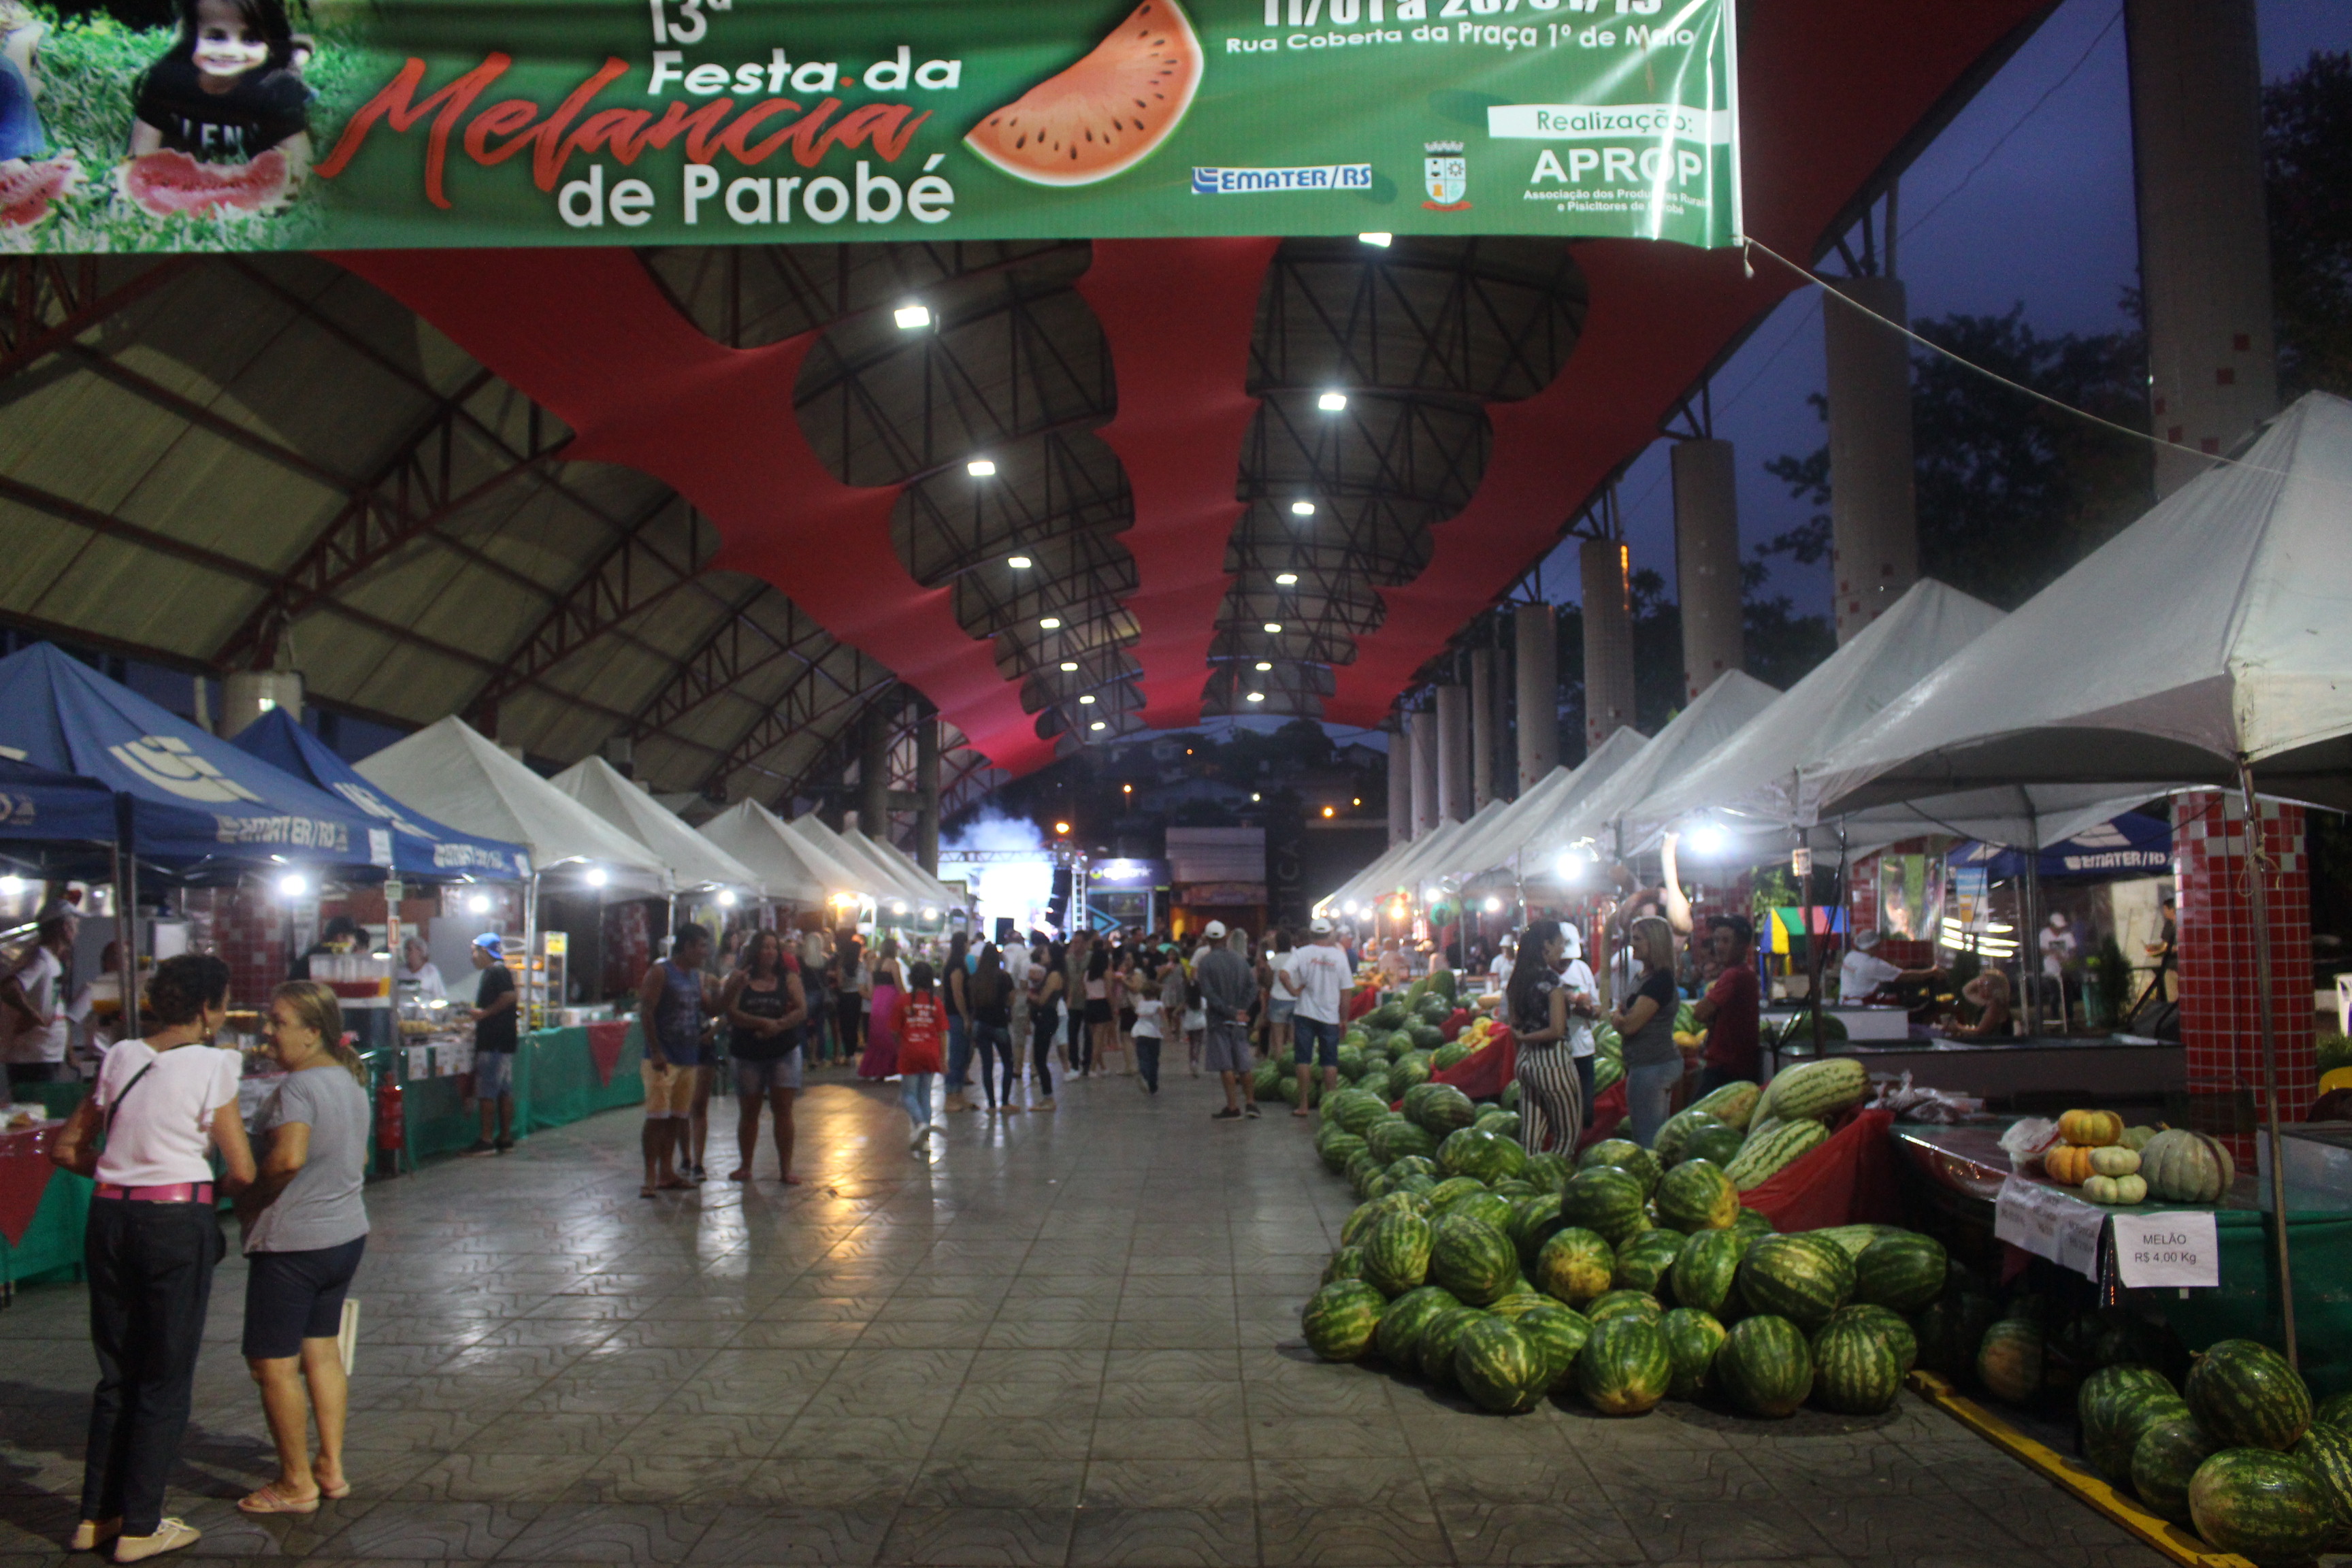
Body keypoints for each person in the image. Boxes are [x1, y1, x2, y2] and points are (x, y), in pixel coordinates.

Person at [50, 953, 255, 1565]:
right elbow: (241, 1168)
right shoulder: (217, 1064)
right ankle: (141, 1525)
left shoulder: (120, 1056)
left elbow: (67, 1148)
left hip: (110, 1217)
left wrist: (124, 1176)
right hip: (173, 1224)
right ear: (206, 1009)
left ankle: (96, 1515)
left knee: (117, 1372)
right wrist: (186, 1191)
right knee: (164, 1375)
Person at [232, 980, 369, 1517]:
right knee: (322, 1350)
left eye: (279, 1023)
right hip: (343, 1235)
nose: (268, 1033)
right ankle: (330, 1466)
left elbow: (287, 1160)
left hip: (294, 1243)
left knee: (272, 1364)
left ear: (314, 1033)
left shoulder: (298, 1089)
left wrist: (251, 1200)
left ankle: (295, 1482)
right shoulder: (348, 1079)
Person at [129, 0, 313, 181]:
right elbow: (138, 156)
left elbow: (300, 159)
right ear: (191, 36)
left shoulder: (277, 90)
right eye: (216, 37)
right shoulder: (165, 83)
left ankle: (300, 51)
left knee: (299, 85)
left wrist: (290, 189)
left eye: (250, 39)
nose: (230, 51)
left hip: (275, 78)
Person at [721, 930, 806, 1184]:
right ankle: (745, 1165)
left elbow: (802, 1009)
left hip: (783, 1050)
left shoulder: (789, 979)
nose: (769, 952)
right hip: (748, 1051)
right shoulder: (740, 979)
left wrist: (778, 1026)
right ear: (755, 951)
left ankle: (785, 1169)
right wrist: (761, 1022)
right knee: (749, 1111)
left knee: (783, 1110)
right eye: (765, 947)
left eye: (774, 947)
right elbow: (731, 1011)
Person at [636, 923, 714, 1198]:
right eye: (702, 946)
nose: (705, 952)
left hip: (688, 1057)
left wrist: (734, 988)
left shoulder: (694, 977)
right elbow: (646, 1011)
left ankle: (667, 1171)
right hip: (664, 1058)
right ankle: (650, 1175)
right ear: (689, 946)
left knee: (676, 1117)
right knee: (656, 1117)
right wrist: (656, 1051)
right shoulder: (660, 973)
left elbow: (710, 1008)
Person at [1505, 921, 1586, 1154]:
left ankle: (1527, 1180)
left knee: (1530, 1138)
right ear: (1547, 945)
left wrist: (1523, 1040)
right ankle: (1551, 1179)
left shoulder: (1516, 981)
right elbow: (1557, 1030)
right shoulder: (1552, 982)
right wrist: (1530, 1038)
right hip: (1552, 1061)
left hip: (1525, 1063)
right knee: (1568, 1135)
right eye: (1561, 943)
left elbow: (1515, 1026)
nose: (1563, 949)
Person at [1607, 915, 1685, 1147]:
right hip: (1645, 1065)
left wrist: (1617, 1019)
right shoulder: (1644, 976)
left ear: (1654, 942)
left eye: (1638, 939)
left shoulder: (1660, 981)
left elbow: (1631, 1025)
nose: (1633, 944)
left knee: (1648, 1138)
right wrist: (1622, 1016)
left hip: (1653, 1066)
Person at [1280, 918, 1351, 1117]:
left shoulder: (1301, 954)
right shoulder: (1339, 957)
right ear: (1329, 934)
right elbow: (1346, 992)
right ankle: (1328, 1105)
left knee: (1303, 1059)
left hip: (1305, 1014)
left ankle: (1303, 1105)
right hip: (1329, 1016)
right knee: (1330, 1062)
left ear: (1311, 935)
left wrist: (1294, 991)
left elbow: (1283, 975)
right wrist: (1344, 1019)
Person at [4, 900, 76, 1088]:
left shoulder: (52, 961)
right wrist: (32, 1015)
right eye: (74, 924)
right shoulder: (40, 958)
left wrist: (69, 1053)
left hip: (46, 1054)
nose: (77, 930)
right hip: (33, 1057)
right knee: (35, 1112)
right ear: (64, 927)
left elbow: (56, 1007)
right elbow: (9, 988)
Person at [1690, 914, 1763, 1094]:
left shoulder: (1734, 975)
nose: (1719, 947)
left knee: (1698, 1118)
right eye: (1716, 940)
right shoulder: (1744, 973)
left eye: (1726, 941)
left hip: (1726, 1069)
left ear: (1743, 946)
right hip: (1738, 1066)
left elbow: (1700, 1014)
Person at [461, 934, 517, 1154]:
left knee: (488, 1091)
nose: (472, 957)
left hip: (493, 1041)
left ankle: (486, 1140)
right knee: (504, 1091)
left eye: (474, 952)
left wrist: (483, 1014)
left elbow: (509, 996)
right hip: (503, 1041)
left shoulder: (496, 970)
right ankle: (504, 1138)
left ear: (485, 952)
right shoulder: (498, 971)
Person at [1196, 923, 1258, 1121]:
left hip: (1219, 1020)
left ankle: (1232, 1106)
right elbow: (1252, 988)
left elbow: (1208, 993)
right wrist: (1242, 1010)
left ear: (1207, 939)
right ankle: (1251, 1103)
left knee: (1226, 1066)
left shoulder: (1205, 963)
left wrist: (1228, 1011)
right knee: (1244, 1065)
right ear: (1225, 938)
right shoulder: (1240, 960)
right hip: (1239, 1021)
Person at [892, 962, 946, 1147]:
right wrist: (943, 1058)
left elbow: (894, 1030)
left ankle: (921, 1124)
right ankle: (925, 1140)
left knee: (908, 1095)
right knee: (925, 1095)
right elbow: (942, 1033)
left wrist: (902, 1045)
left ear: (911, 979)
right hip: (931, 1052)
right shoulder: (936, 1003)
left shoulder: (903, 1001)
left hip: (910, 1052)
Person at [966, 943, 1016, 1112]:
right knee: (1008, 1064)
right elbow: (1011, 1000)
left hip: (980, 1024)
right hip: (999, 1024)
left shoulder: (975, 978)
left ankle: (992, 1104)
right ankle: (1005, 1102)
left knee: (987, 1066)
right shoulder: (1004, 977)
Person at [1838, 929, 1940, 1006]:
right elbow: (1905, 976)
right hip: (1861, 1007)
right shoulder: (1873, 965)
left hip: (1844, 1003)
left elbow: (1870, 963)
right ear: (1874, 946)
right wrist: (1932, 972)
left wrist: (1890, 962)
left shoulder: (1851, 956)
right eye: (1879, 945)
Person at [1024, 941, 1062, 1113]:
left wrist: (1031, 997)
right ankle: (1047, 1097)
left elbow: (1043, 999)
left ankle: (1048, 1098)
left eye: (1045, 953)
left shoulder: (1054, 975)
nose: (1042, 956)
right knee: (1039, 1057)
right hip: (1045, 1017)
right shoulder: (1050, 973)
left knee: (1040, 1058)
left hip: (1047, 1017)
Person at [859, 937, 901, 1081]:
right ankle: (891, 1067)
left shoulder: (874, 965)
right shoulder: (893, 964)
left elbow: (871, 989)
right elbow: (899, 986)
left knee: (877, 1035)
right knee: (891, 1033)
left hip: (877, 1001)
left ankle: (877, 1069)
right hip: (891, 1000)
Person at [941, 932, 972, 1112]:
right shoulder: (957, 965)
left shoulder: (952, 963)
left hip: (954, 1013)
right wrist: (965, 1016)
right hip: (957, 1015)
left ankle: (958, 1095)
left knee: (962, 1055)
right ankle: (950, 1096)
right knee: (956, 1056)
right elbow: (957, 992)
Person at [1130, 953, 1164, 1095]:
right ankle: (1152, 1083)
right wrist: (1167, 1030)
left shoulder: (1141, 1003)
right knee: (1154, 1060)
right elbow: (1163, 1017)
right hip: (1154, 1034)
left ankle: (1143, 1073)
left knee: (1142, 1057)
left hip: (1139, 1033)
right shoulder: (1158, 1004)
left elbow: (1137, 1014)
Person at [1944, 970, 2014, 1040]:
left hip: (1996, 1048)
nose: (1979, 987)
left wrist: (1957, 1028)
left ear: (1996, 988)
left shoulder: (1995, 1005)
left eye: (1985, 984)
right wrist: (1982, 978)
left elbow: (1980, 1032)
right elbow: (1966, 991)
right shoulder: (1990, 1003)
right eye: (1980, 984)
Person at [1262, 929, 1295, 1071]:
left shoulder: (1273, 961)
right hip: (1295, 1000)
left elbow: (1267, 982)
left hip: (1278, 1000)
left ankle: (1280, 1069)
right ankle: (1293, 1067)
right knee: (1293, 1039)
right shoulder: (1297, 958)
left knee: (1278, 1040)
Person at [288, 916, 356, 983]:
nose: (354, 942)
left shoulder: (319, 950)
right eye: (353, 937)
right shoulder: (327, 956)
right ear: (340, 937)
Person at [1079, 946, 1111, 1079]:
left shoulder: (1087, 974)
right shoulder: (1106, 973)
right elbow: (1108, 992)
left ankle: (1103, 1067)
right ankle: (1092, 1068)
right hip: (1102, 1004)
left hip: (1089, 1004)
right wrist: (1113, 1007)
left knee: (1094, 1039)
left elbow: (1082, 991)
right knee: (1099, 1040)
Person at [393, 936, 444, 1008]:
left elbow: (439, 997)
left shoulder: (431, 971)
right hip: (403, 1015)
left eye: (409, 950)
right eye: (405, 950)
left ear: (420, 951)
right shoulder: (399, 972)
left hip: (425, 1015)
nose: (406, 953)